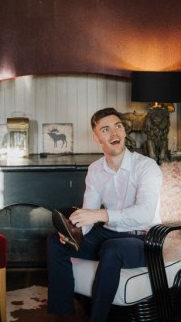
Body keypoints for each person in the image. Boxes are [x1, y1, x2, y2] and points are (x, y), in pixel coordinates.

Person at [47, 107, 163, 322]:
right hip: (106, 233)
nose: (115, 134)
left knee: (112, 249)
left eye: (118, 127)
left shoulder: (147, 167)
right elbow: (88, 214)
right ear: (96, 137)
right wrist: (75, 233)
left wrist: (100, 215)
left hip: (143, 239)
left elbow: (145, 214)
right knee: (56, 243)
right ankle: (65, 315)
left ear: (125, 131)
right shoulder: (95, 169)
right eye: (106, 130)